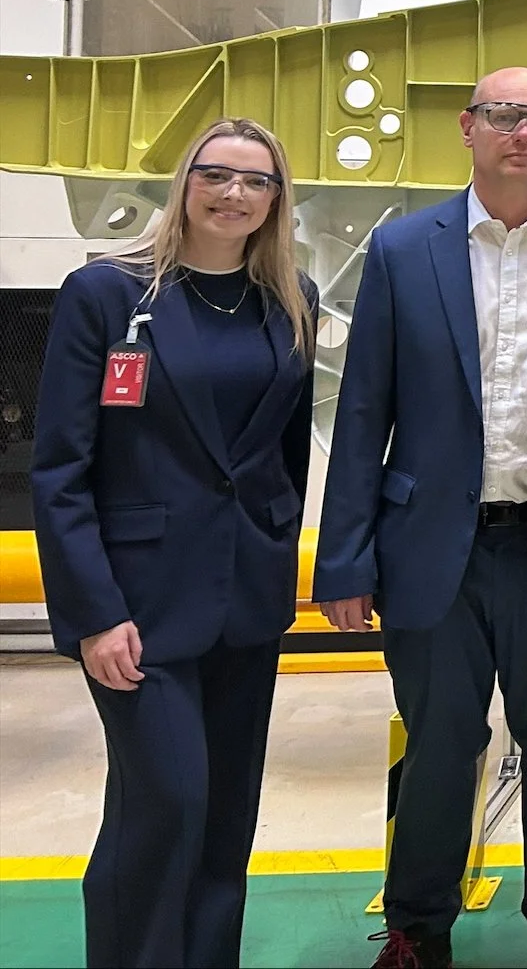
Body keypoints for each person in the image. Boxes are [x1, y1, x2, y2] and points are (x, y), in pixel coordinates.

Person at [315, 68, 527, 969]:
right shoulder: (403, 249)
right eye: (505, 116)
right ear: (468, 127)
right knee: (438, 742)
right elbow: (364, 410)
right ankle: (416, 927)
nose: (524, 133)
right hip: (433, 544)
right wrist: (345, 557)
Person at [32, 119, 317, 968]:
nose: (234, 194)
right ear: (185, 180)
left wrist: (276, 546)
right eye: (216, 174)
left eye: (256, 181)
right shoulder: (108, 295)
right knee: (166, 802)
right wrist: (93, 612)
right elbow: (61, 467)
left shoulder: (289, 297)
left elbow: (283, 454)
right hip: (139, 606)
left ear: (277, 198)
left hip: (247, 596)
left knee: (226, 816)